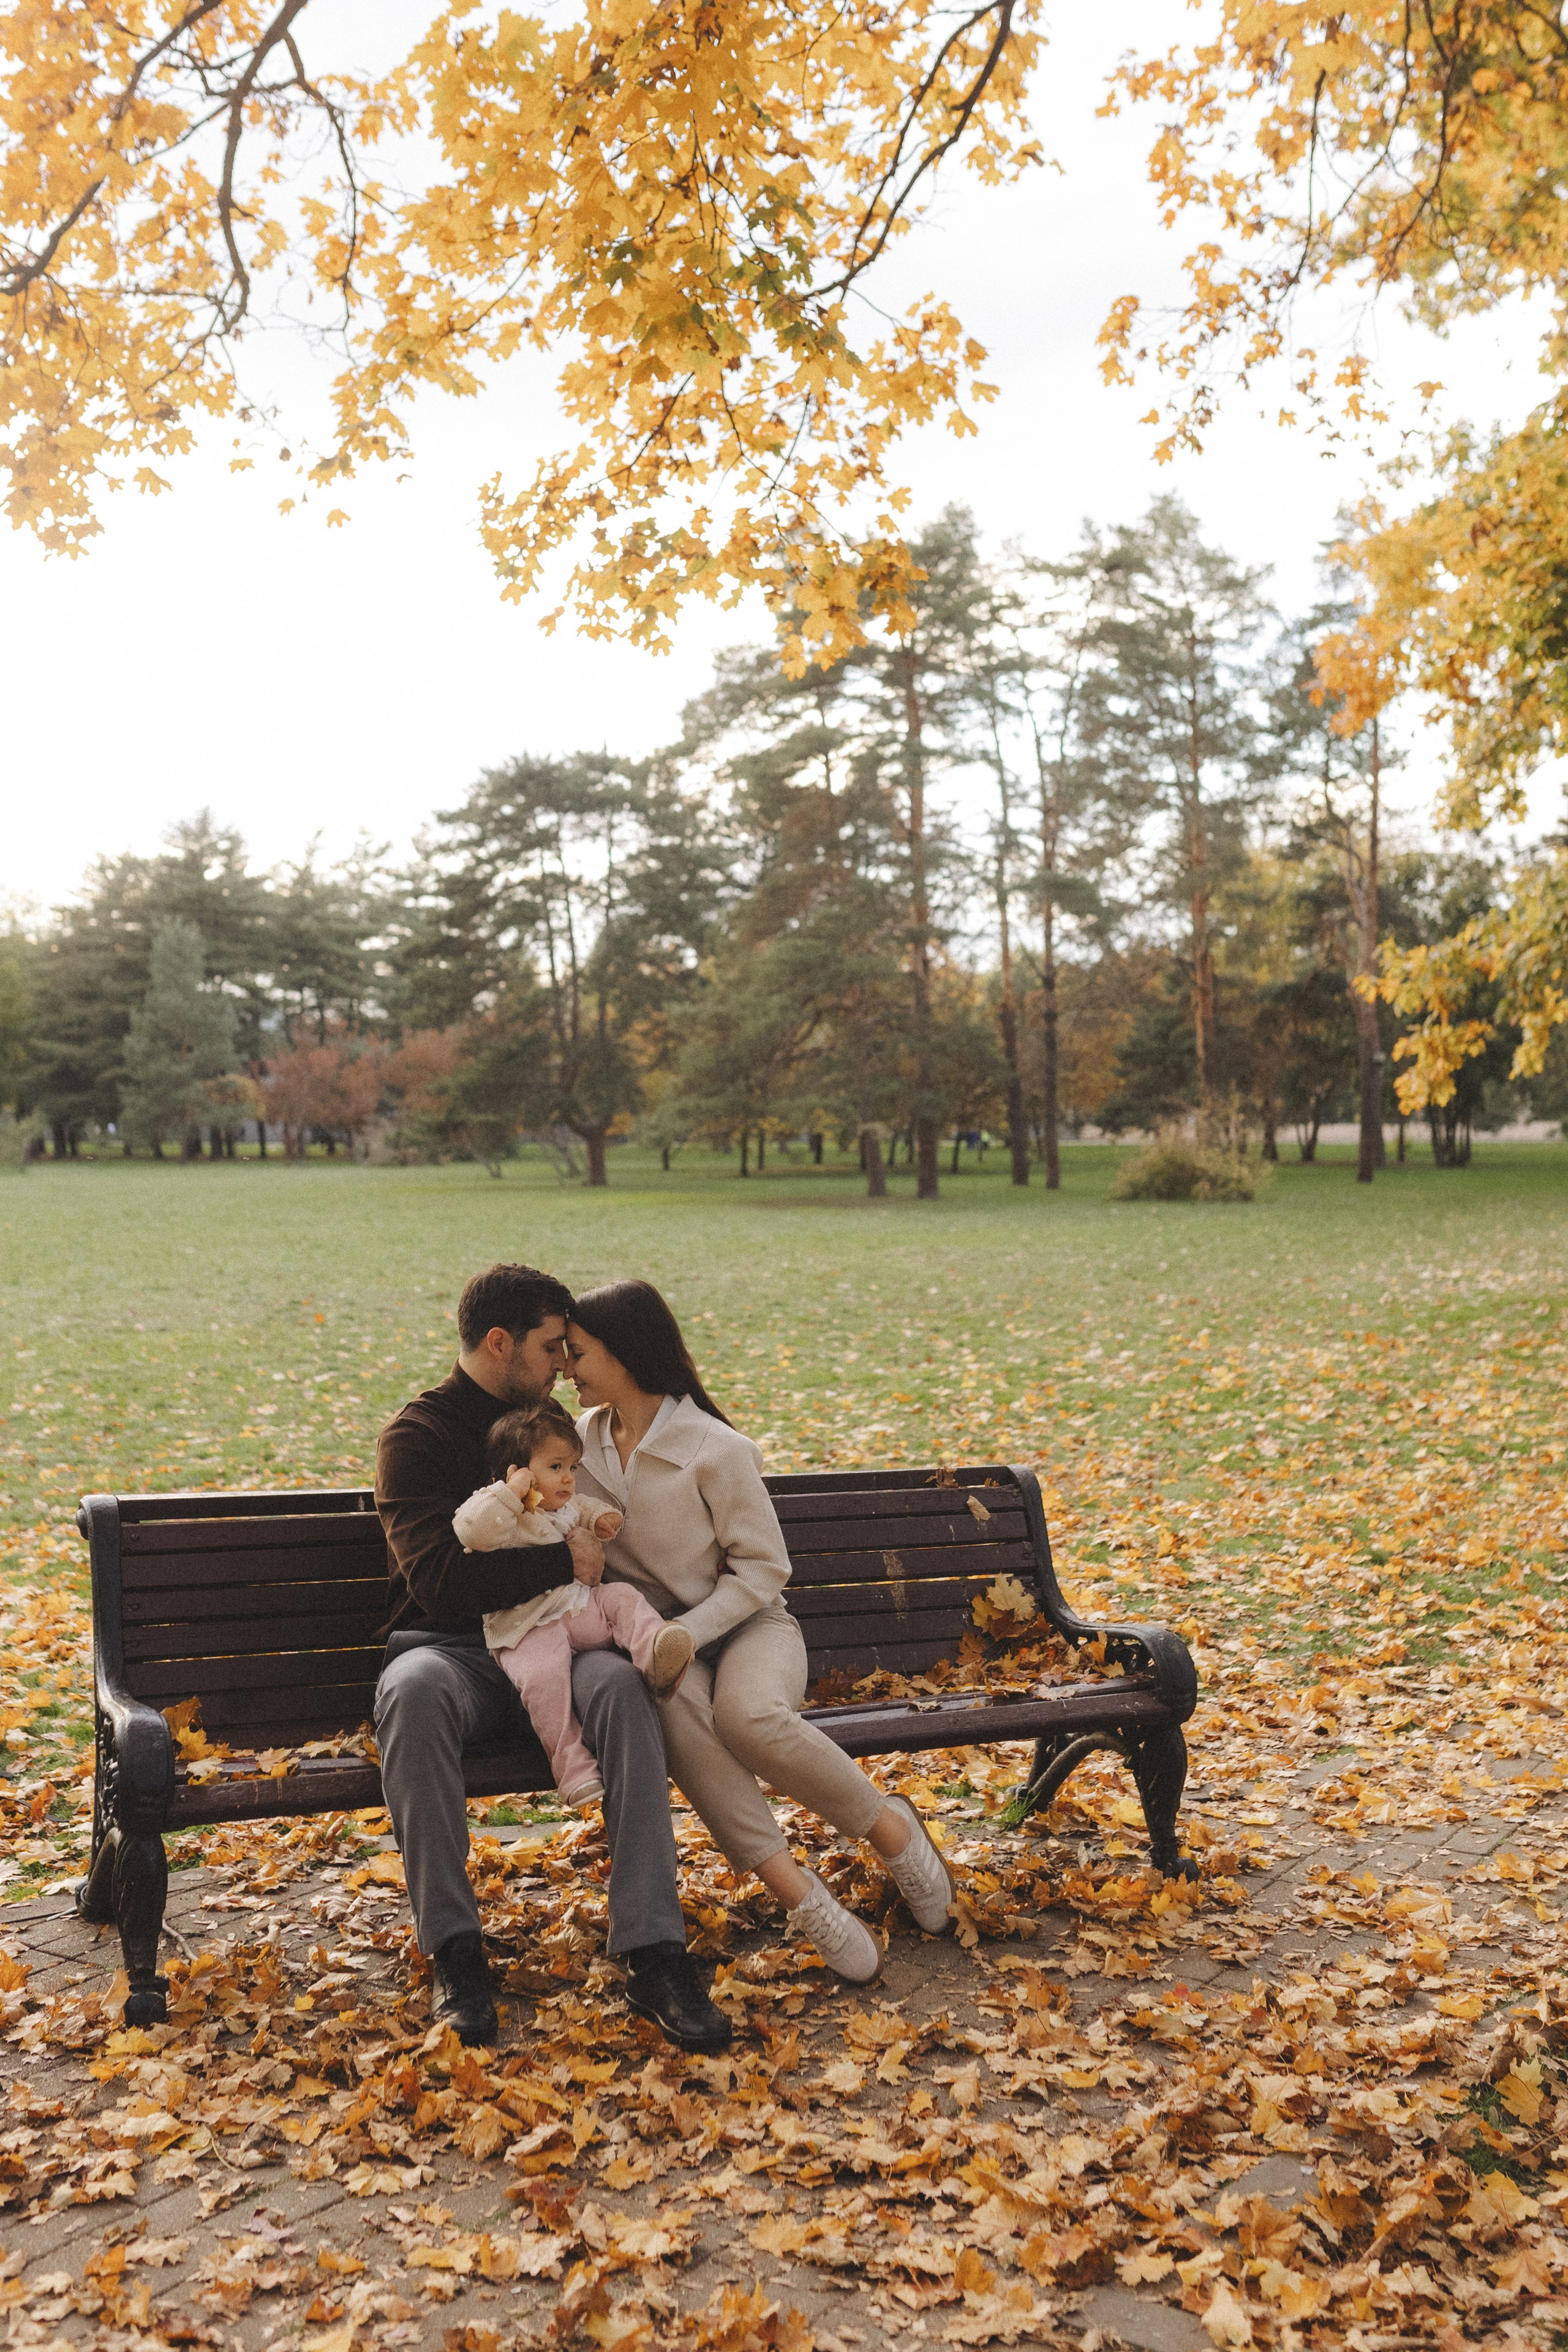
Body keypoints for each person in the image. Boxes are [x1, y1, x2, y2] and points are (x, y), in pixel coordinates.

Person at [373, 1262, 728, 2054]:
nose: (563, 1365)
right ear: (498, 1343)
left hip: (564, 1648)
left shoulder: (550, 1429)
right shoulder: (416, 1438)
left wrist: (584, 1557)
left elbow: (598, 1530)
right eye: (548, 1348)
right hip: (455, 1656)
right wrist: (566, 1562)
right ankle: (456, 1953)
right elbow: (437, 1584)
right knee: (410, 1692)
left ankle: (653, 1949)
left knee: (624, 1688)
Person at [565, 1280, 956, 1984]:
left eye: (579, 1353)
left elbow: (763, 1571)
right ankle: (801, 1897)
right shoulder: (578, 1448)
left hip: (749, 1624)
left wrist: (688, 1630)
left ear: (622, 1355)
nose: (567, 1367)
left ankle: (890, 1830)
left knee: (746, 1716)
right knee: (676, 1707)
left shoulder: (716, 1448)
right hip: (660, 1646)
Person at [454, 1402, 695, 1806]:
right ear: (518, 1471)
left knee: (621, 1598)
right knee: (546, 1685)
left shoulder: (564, 1505)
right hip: (528, 1630)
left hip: (578, 1610)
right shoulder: (496, 1507)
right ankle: (572, 1769)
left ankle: (657, 1660)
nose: (568, 1478)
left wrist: (602, 1518)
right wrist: (509, 1495)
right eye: (556, 1468)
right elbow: (473, 1533)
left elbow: (583, 1508)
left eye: (573, 1467)